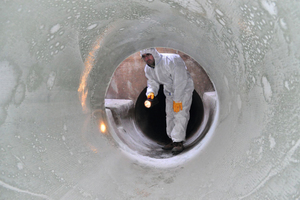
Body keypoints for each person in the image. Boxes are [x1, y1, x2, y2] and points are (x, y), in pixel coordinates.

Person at [140, 48, 194, 155]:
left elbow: (180, 80)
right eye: (144, 56)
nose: (147, 58)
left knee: (180, 114)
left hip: (183, 90)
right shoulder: (148, 68)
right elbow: (152, 82)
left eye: (148, 55)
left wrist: (178, 100)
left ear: (154, 53)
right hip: (169, 91)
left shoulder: (172, 60)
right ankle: (172, 139)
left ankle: (178, 141)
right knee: (169, 115)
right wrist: (151, 93)